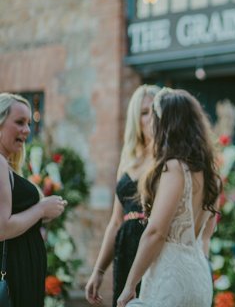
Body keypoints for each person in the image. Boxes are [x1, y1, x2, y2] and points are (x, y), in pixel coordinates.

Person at [117, 88, 220, 307]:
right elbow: (205, 238)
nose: (150, 124)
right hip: (200, 278)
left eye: (154, 117)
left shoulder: (174, 168)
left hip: (170, 277)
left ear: (167, 123)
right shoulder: (212, 175)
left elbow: (156, 232)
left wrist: (130, 284)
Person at [85, 84, 160, 306]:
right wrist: (98, 270)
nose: (151, 118)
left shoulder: (169, 159)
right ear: (136, 119)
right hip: (126, 246)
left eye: (156, 111)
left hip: (154, 243)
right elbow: (116, 221)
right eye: (144, 113)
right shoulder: (128, 159)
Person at [0, 93, 67, 307]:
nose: (27, 130)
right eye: (19, 122)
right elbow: (2, 228)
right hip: (13, 273)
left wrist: (44, 212)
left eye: (28, 123)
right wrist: (41, 209)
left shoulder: (7, 165)